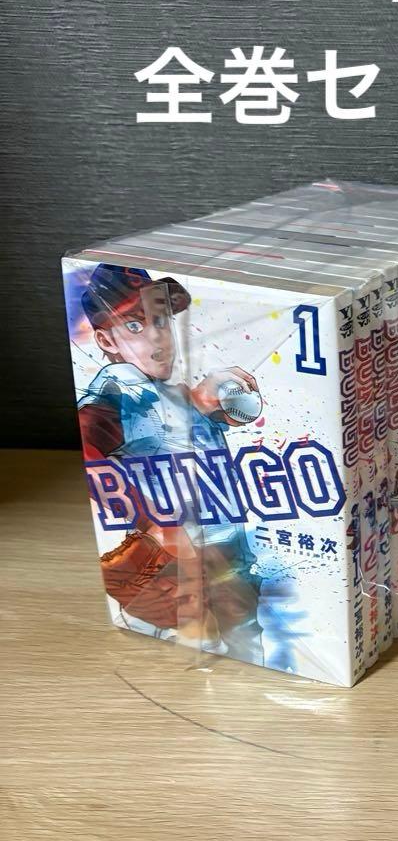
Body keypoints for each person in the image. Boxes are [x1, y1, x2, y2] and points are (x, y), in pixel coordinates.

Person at [76, 264, 264, 662]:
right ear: (106, 340)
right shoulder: (119, 388)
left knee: (247, 646)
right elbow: (89, 452)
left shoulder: (164, 392)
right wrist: (152, 521)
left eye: (160, 320)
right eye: (134, 326)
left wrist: (199, 401)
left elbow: (170, 429)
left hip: (226, 553)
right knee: (196, 648)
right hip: (183, 567)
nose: (156, 336)